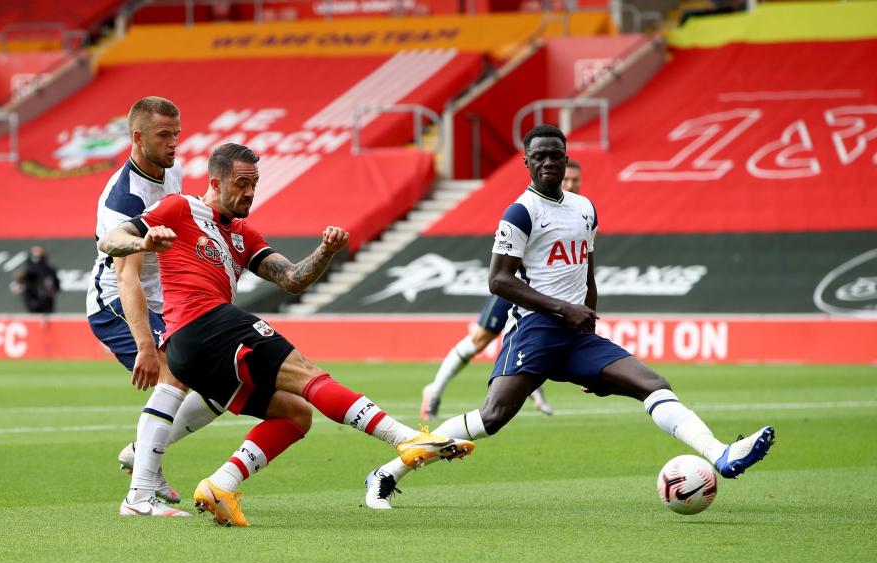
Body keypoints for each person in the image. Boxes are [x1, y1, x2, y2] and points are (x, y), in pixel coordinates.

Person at [365, 125, 774, 510]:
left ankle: (719, 453)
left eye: (555, 156)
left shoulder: (583, 208)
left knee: (652, 384)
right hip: (536, 330)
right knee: (492, 418)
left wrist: (589, 337)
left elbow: (587, 273)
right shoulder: (520, 213)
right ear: (527, 162)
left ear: (565, 160)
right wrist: (563, 309)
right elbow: (498, 280)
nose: (548, 163)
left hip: (577, 335)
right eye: (539, 157)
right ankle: (388, 472)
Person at [97, 142, 476, 526]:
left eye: (255, 184)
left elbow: (291, 279)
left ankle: (220, 485)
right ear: (216, 181)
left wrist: (326, 252)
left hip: (198, 352)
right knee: (304, 371)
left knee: (295, 413)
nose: (250, 192)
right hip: (202, 325)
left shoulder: (243, 233)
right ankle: (406, 439)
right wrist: (141, 242)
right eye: (242, 183)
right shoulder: (180, 207)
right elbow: (109, 240)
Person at [86, 96, 261, 518]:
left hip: (168, 299)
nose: (174, 144)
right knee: (171, 372)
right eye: (164, 136)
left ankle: (141, 455)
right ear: (138, 137)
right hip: (117, 301)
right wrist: (146, 345)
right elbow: (127, 275)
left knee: (227, 384)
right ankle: (140, 495)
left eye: (176, 135)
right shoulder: (123, 199)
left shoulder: (173, 172)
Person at [419, 159, 583, 421]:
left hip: (549, 292)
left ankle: (534, 389)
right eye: (567, 180)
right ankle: (434, 391)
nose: (571, 185)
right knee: (480, 340)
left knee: (539, 336)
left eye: (576, 180)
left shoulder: (580, 213)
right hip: (518, 287)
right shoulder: (533, 207)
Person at [12, 246, 60, 313]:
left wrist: (49, 290)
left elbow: (55, 287)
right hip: (31, 303)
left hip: (45, 304)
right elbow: (16, 288)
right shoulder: (27, 271)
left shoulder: (48, 271)